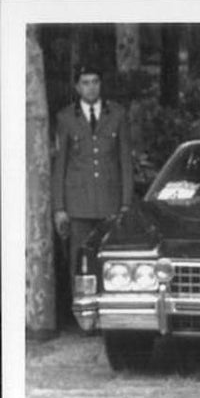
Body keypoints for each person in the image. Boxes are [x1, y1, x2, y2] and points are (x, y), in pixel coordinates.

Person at [51, 64, 134, 280]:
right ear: (77, 87)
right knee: (79, 263)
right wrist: (59, 207)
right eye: (85, 83)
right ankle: (79, 312)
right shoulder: (66, 117)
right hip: (78, 206)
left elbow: (125, 161)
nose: (91, 88)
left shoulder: (117, 114)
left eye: (95, 82)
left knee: (111, 262)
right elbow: (60, 165)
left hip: (110, 203)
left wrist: (125, 203)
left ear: (101, 85)